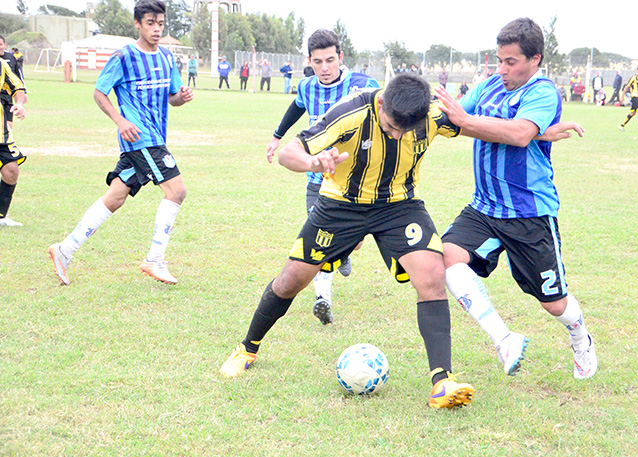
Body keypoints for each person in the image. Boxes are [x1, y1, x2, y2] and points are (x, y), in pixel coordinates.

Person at [221, 74, 476, 409]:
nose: (397, 135)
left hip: (398, 205)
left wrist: (537, 129)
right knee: (291, 281)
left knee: (431, 276)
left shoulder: (427, 114)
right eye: (391, 127)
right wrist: (314, 162)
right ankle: (248, 348)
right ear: (382, 103)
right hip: (341, 206)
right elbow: (289, 153)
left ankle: (442, 382)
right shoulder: (351, 112)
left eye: (405, 130)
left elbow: (474, 126)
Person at [433, 17, 595, 380]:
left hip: (529, 212)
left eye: (511, 62)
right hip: (484, 207)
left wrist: (464, 122)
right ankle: (504, 340)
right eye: (499, 60)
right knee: (447, 258)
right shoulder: (489, 86)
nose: (502, 70)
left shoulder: (542, 92)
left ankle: (579, 333)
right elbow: (451, 118)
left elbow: (521, 133)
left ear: (535, 59)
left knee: (553, 303)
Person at [48, 0, 193, 285]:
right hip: (141, 138)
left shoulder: (166, 57)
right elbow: (100, 93)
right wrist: (120, 120)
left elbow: (172, 98)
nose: (156, 29)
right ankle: (155, 259)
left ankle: (64, 250)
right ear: (137, 24)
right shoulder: (124, 56)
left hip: (152, 138)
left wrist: (182, 97)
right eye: (150, 23)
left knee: (115, 197)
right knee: (176, 191)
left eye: (160, 24)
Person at [265, 29, 379, 325]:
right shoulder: (306, 87)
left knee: (346, 242)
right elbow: (296, 107)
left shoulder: (363, 85)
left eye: (330, 60)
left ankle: (345, 250)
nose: (325, 68)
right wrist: (277, 137)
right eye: (318, 62)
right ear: (310, 61)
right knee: (319, 242)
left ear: (341, 57)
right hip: (318, 184)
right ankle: (322, 300)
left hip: (356, 184)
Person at [0, 51, 27, 227]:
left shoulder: (2, 65)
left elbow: (17, 87)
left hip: (1, 133)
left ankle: (0, 216)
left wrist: (19, 103)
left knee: (11, 171)